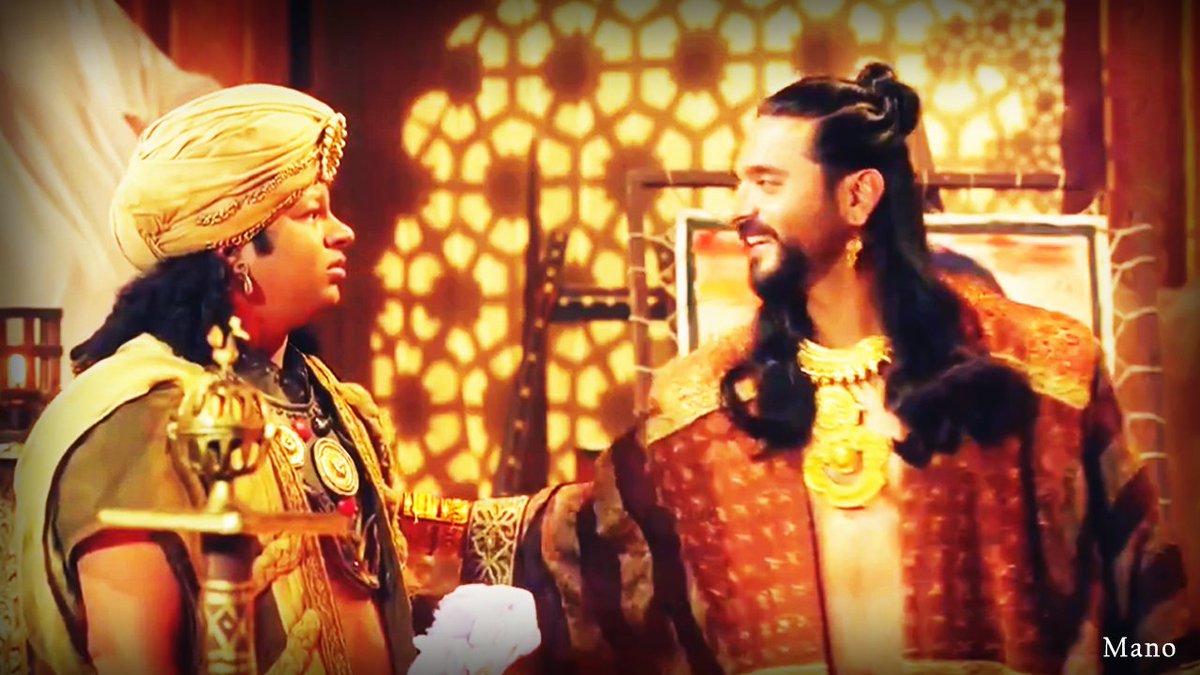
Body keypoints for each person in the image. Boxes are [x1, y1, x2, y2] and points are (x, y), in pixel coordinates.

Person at [397, 64, 1199, 674]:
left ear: (859, 197)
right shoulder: (702, 409)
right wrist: (389, 521)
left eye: (767, 182)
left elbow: (1154, 625)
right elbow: (576, 555)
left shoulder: (1042, 380)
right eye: (739, 180)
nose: (739, 207)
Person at [14, 84, 538, 675]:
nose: (342, 232)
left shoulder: (331, 401)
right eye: (311, 213)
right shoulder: (138, 423)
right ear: (233, 249)